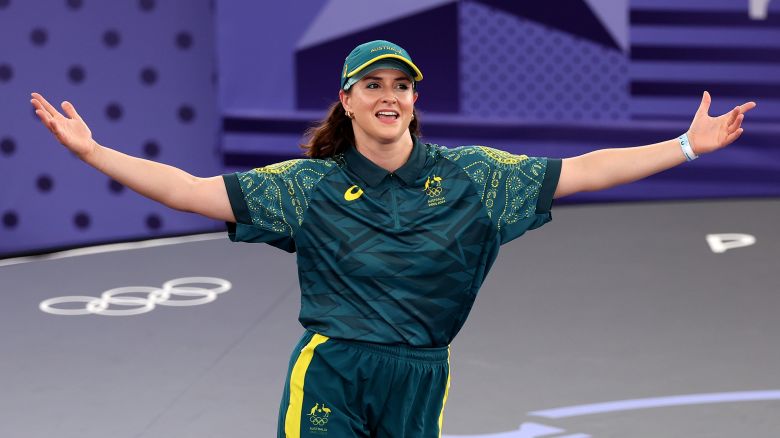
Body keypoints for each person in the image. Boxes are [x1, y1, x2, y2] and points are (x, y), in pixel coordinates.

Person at [31, 39, 756, 438]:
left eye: (400, 85)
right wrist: (95, 153)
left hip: (420, 375)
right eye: (371, 85)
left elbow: (585, 171)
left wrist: (685, 148)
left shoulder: (477, 178)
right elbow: (190, 190)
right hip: (334, 373)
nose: (388, 96)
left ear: (415, 99)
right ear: (346, 101)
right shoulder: (306, 186)